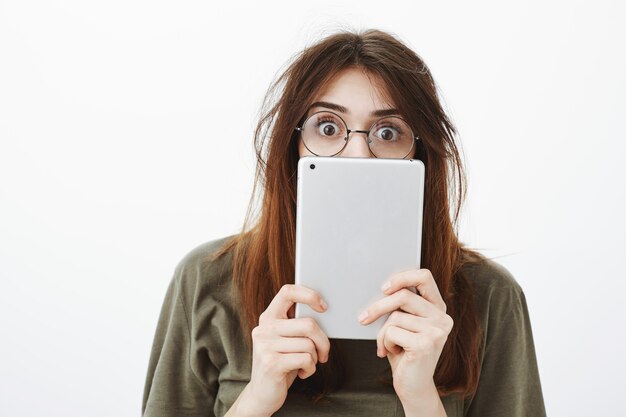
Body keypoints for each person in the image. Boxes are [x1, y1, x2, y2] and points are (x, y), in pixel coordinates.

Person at [141, 29, 546, 417]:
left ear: (421, 156)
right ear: (293, 144)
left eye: (388, 132)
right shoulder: (206, 279)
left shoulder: (490, 296)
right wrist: (255, 400)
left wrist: (421, 399)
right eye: (328, 127)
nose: (357, 155)